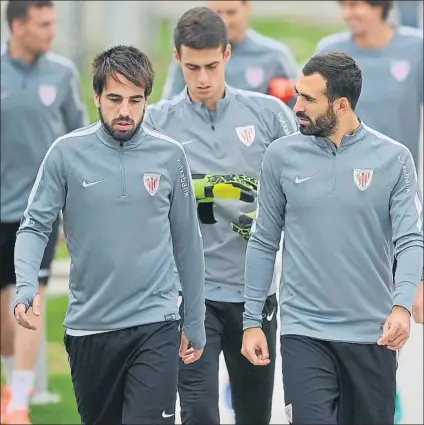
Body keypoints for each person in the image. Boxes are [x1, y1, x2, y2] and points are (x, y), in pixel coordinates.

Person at [13, 45, 206, 425]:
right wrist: (24, 285)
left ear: (146, 101)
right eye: (115, 99)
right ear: (97, 96)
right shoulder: (65, 153)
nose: (125, 111)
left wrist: (194, 319)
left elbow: (188, 241)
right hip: (90, 329)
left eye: (136, 101)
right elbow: (35, 225)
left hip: (156, 322)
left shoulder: (170, 156)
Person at [241, 52, 423, 425]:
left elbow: (410, 240)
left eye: (309, 99)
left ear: (341, 105)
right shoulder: (280, 156)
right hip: (304, 333)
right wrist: (251, 321)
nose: (296, 106)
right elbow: (263, 241)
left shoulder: (395, 159)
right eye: (297, 95)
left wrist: (402, 306)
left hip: (373, 336)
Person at [144, 7, 297, 425]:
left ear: (227, 55)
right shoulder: (157, 124)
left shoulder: (268, 115)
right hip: (191, 297)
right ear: (177, 59)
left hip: (255, 294)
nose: (203, 78)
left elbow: (306, 180)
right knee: (199, 412)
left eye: (212, 65)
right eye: (192, 67)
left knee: (253, 414)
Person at [0, 1, 88, 423]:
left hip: (38, 215)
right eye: (43, 24)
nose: (51, 31)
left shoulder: (62, 74)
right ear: (18, 26)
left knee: (29, 300)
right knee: (5, 328)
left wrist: (74, 208)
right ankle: (11, 386)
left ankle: (18, 404)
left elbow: (79, 138)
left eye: (54, 22)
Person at [316, 0, 424, 325]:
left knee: (395, 297)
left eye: (358, 4)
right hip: (343, 188)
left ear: (380, 6)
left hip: (395, 187)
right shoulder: (330, 51)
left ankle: (380, 369)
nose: (350, 13)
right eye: (345, 5)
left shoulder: (415, 48)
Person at [162, 0, 298, 106]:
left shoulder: (274, 55)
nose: (224, 21)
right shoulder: (192, 54)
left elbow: (299, 105)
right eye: (218, 13)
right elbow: (171, 103)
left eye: (231, 12)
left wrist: (289, 91)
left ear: (247, 7)